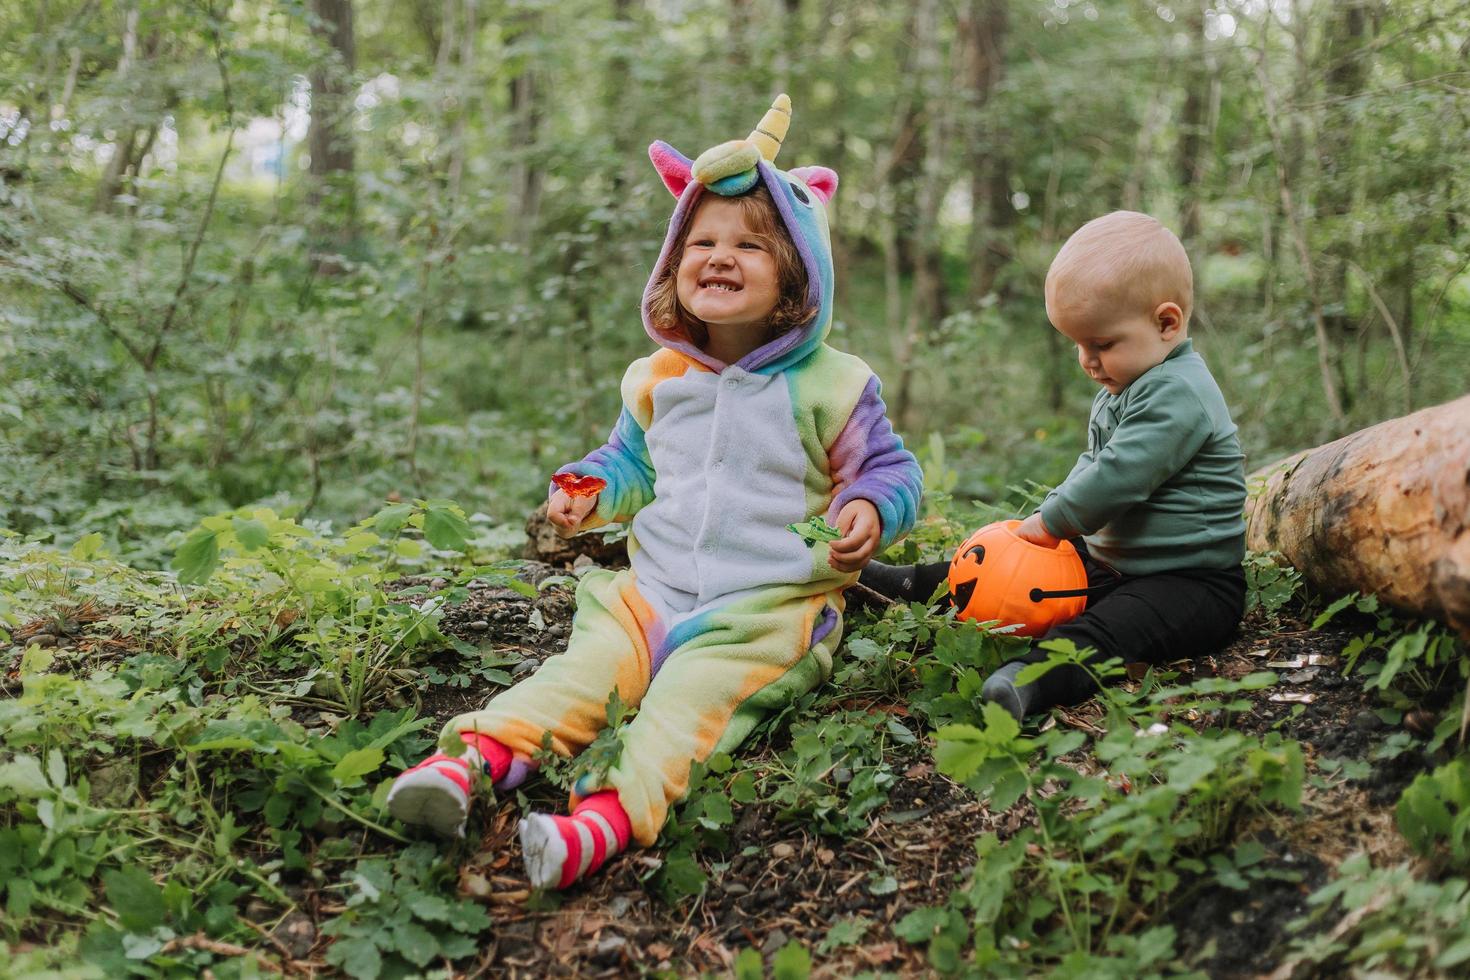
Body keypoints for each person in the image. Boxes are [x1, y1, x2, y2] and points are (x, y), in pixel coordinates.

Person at [384, 95, 922, 890]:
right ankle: (464, 766)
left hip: (762, 613)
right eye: (699, 241)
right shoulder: (657, 379)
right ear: (673, 264)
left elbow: (891, 470)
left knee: (683, 716)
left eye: (749, 243)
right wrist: (589, 488)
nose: (719, 255)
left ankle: (596, 826)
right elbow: (631, 465)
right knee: (576, 681)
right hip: (650, 595)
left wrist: (869, 508)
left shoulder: (835, 386)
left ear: (800, 273)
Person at [861, 210, 1246, 722]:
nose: (1087, 360)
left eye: (1102, 344)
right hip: (1116, 565)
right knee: (1006, 570)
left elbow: (1120, 474)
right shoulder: (1126, 385)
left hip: (1191, 582)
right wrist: (1049, 526)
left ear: (1166, 323)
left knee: (1110, 629)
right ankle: (915, 583)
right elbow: (1092, 464)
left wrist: (1053, 522)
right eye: (1078, 344)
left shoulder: (1181, 393)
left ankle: (1031, 680)